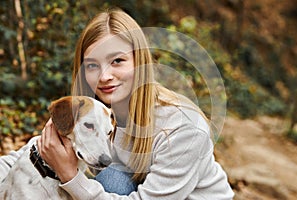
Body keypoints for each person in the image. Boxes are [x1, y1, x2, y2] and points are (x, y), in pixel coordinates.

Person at [0, 8, 234, 199]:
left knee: (110, 181)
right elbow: (35, 152)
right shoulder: (89, 114)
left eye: (117, 61)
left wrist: (70, 176)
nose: (104, 76)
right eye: (92, 65)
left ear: (139, 61)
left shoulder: (182, 127)